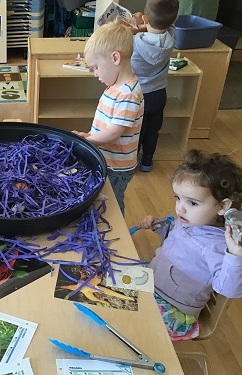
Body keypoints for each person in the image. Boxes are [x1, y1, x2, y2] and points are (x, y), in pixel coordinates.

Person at [137, 149, 242, 341]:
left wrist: (234, 256)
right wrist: (158, 226)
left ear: (222, 206)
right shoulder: (192, 220)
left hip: (173, 309)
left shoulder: (218, 246)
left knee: (127, 325)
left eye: (192, 203)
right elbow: (178, 240)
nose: (180, 208)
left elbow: (230, 289)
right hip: (152, 284)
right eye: (178, 198)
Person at [72, 21, 144, 215]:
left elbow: (115, 131)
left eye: (96, 67)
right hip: (106, 158)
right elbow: (106, 126)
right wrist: (89, 136)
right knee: (99, 196)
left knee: (112, 203)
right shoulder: (115, 87)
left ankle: (117, 232)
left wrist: (88, 141)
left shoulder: (128, 93)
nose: (95, 74)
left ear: (115, 58)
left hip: (117, 166)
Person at [130, 0, 179, 172]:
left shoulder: (135, 42)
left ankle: (131, 163)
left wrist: (136, 24)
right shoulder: (171, 37)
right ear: (175, 19)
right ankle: (147, 162)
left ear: (144, 18)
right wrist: (143, 24)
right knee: (153, 131)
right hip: (158, 94)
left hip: (138, 94)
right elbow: (164, 28)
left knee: (137, 131)